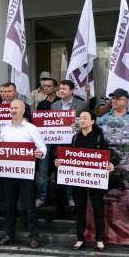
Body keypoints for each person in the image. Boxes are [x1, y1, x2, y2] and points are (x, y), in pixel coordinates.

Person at [56, 110, 114, 251]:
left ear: (92, 121)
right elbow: (69, 157)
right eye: (80, 118)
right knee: (80, 209)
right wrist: (59, 162)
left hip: (95, 180)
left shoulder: (99, 139)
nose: (82, 120)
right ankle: (80, 238)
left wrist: (110, 166)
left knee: (98, 209)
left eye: (85, 118)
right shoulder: (75, 138)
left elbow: (107, 160)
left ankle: (99, 239)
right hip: (79, 180)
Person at [0, 100, 47, 249]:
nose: (13, 110)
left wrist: (41, 152)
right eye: (11, 108)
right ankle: (9, 234)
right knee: (9, 205)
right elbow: (1, 150)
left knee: (29, 205)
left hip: (25, 174)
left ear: (23, 110)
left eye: (16, 108)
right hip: (8, 173)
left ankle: (34, 235)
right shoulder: (5, 129)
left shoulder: (31, 128)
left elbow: (42, 146)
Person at [51, 80, 88, 218]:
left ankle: (78, 207)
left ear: (71, 91)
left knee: (75, 180)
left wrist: (78, 126)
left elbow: (86, 122)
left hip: (75, 147)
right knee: (59, 181)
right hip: (59, 148)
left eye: (64, 88)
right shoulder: (54, 105)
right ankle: (60, 209)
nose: (61, 91)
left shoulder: (82, 104)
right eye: (60, 88)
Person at [35, 77, 59, 207]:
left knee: (60, 171)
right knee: (42, 171)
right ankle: (41, 197)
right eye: (44, 86)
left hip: (60, 142)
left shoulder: (61, 103)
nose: (46, 88)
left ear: (56, 88)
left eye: (49, 86)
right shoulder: (41, 105)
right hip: (44, 141)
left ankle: (66, 198)